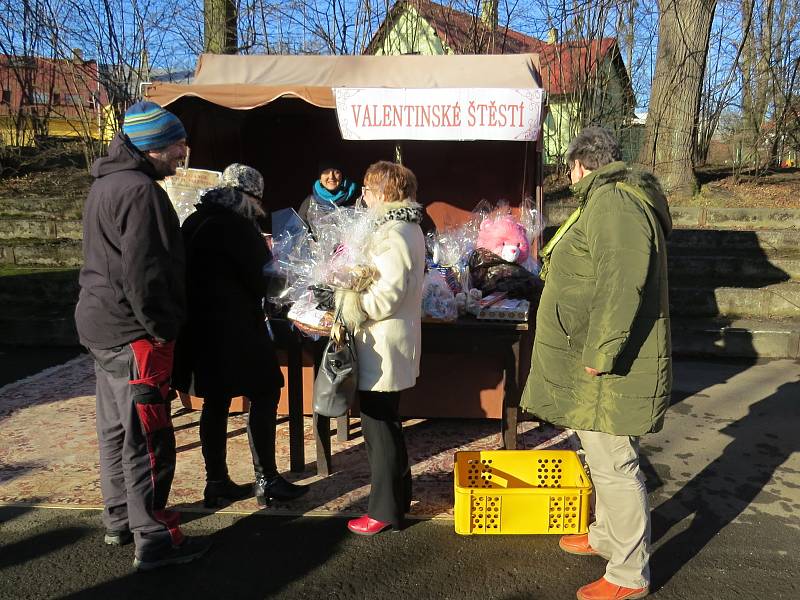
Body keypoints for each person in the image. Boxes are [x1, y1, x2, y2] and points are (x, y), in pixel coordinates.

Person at [520, 126, 672, 600]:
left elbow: (622, 280)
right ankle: (607, 537)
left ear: (580, 164)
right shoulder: (609, 199)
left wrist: (602, 351)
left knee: (614, 462)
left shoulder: (614, 202)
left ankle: (629, 574)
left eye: (569, 168)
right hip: (594, 361)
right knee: (600, 454)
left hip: (606, 364)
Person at [75, 101, 210, 571]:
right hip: (135, 334)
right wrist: (163, 328)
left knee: (115, 430)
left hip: (101, 325)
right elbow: (145, 275)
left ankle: (119, 520)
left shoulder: (107, 184)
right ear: (152, 147)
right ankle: (154, 538)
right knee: (148, 438)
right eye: (176, 143)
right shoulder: (141, 193)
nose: (182, 152)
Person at [173, 163, 308, 509]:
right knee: (266, 390)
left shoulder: (194, 221)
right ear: (249, 197)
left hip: (197, 330)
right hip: (235, 329)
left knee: (215, 403)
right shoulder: (239, 226)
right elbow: (263, 279)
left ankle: (216, 481)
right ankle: (267, 479)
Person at [335, 160, 426, 535]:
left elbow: (386, 296)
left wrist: (349, 305)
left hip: (382, 343)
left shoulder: (394, 232)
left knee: (378, 428)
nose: (363, 195)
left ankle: (384, 511)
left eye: (369, 189)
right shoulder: (406, 228)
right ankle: (397, 498)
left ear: (386, 193)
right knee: (386, 423)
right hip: (390, 342)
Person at [297, 159, 359, 228]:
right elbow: (299, 230)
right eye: (326, 172)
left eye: (336, 172)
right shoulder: (309, 202)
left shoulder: (355, 199)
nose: (331, 177)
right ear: (320, 178)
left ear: (342, 176)